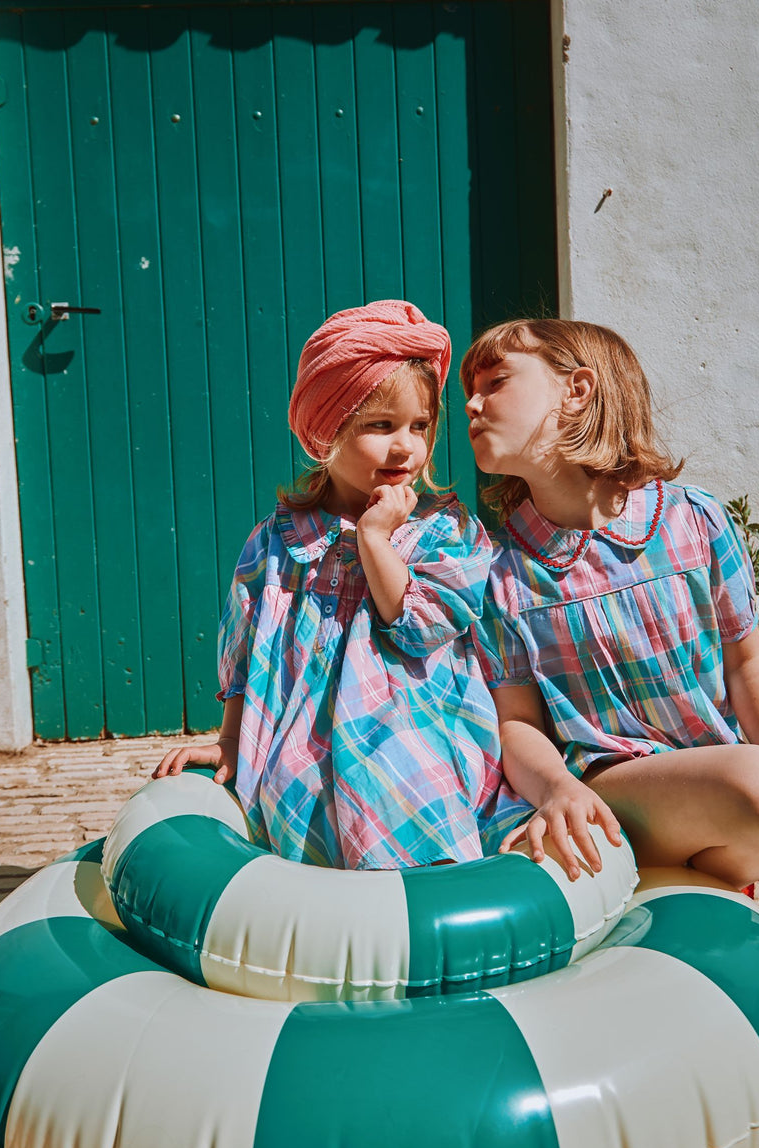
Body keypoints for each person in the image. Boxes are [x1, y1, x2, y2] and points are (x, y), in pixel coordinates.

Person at [462, 316, 759, 942]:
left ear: (578, 391)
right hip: (615, 794)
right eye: (469, 391)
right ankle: (731, 848)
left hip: (730, 783)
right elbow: (517, 722)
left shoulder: (693, 521)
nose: (472, 404)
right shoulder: (499, 572)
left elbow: (746, 663)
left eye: (495, 382)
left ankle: (721, 857)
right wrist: (560, 791)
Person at [154, 300, 533, 871]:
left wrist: (376, 541)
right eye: (380, 426)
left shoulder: (443, 530)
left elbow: (421, 628)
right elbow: (244, 646)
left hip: (420, 723)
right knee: (297, 798)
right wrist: (231, 739)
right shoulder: (279, 539)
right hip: (306, 733)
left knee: (401, 780)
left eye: (420, 426)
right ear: (329, 429)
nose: (405, 445)